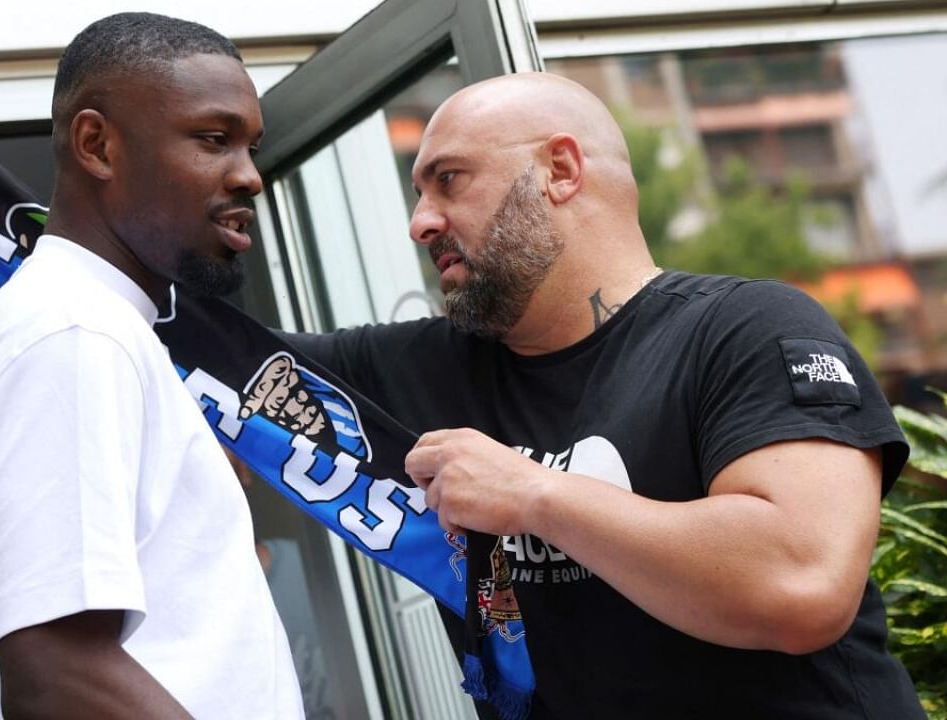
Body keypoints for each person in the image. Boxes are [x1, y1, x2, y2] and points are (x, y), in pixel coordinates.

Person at [283, 72, 924, 718]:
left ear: (560, 170)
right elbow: (204, 364)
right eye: (418, 192)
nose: (420, 222)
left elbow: (803, 582)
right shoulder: (420, 367)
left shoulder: (749, 329)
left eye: (449, 180)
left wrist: (534, 494)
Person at [0, 12, 303, 720]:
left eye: (252, 146)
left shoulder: (96, 326)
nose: (250, 176)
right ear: (96, 144)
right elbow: (57, 673)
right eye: (213, 139)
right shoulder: (74, 332)